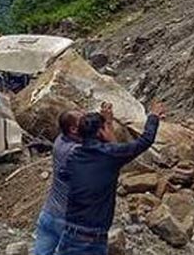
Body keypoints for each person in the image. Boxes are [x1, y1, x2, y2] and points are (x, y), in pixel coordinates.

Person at [56, 101, 164, 255]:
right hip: (91, 240)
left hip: (69, 234)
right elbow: (145, 140)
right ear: (100, 132)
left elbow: (63, 174)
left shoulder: (73, 157)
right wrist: (153, 116)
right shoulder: (110, 155)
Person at [33, 109, 84, 255]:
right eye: (83, 121)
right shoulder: (78, 151)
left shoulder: (59, 141)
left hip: (48, 214)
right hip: (67, 221)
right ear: (73, 129)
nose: (88, 123)